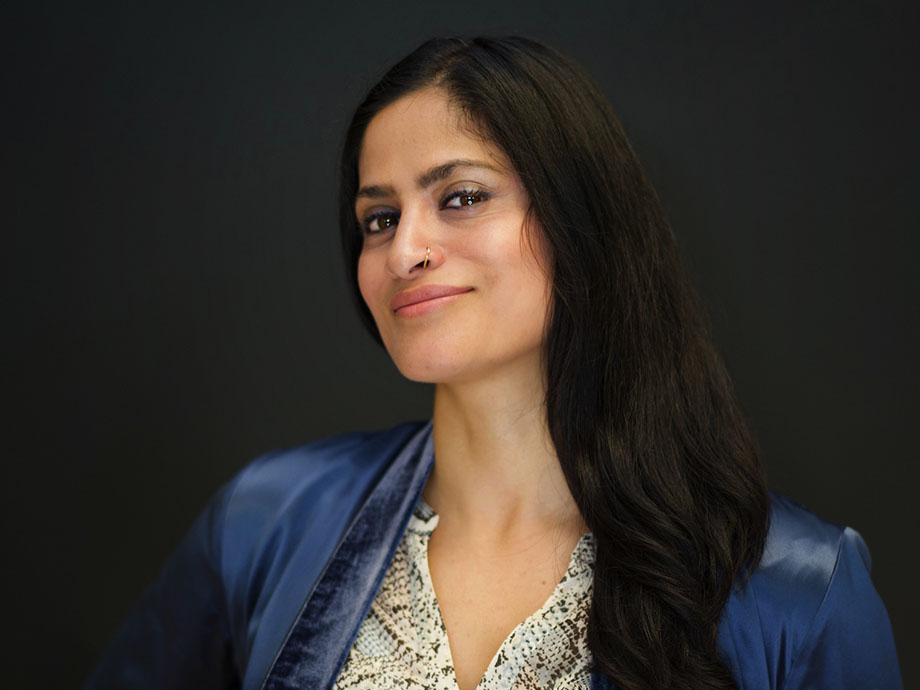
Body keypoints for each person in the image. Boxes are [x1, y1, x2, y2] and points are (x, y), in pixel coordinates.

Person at [84, 36, 902, 690]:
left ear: (584, 224)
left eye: (462, 197)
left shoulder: (799, 588)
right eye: (378, 218)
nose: (404, 250)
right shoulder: (266, 519)